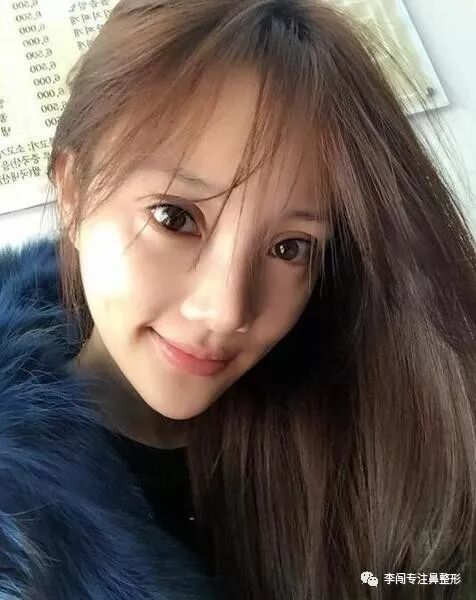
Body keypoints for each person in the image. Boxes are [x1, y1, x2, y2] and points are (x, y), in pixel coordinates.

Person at [0, 0, 475, 598]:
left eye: (289, 248)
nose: (226, 311)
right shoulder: (19, 534)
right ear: (73, 193)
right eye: (174, 217)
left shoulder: (377, 423)